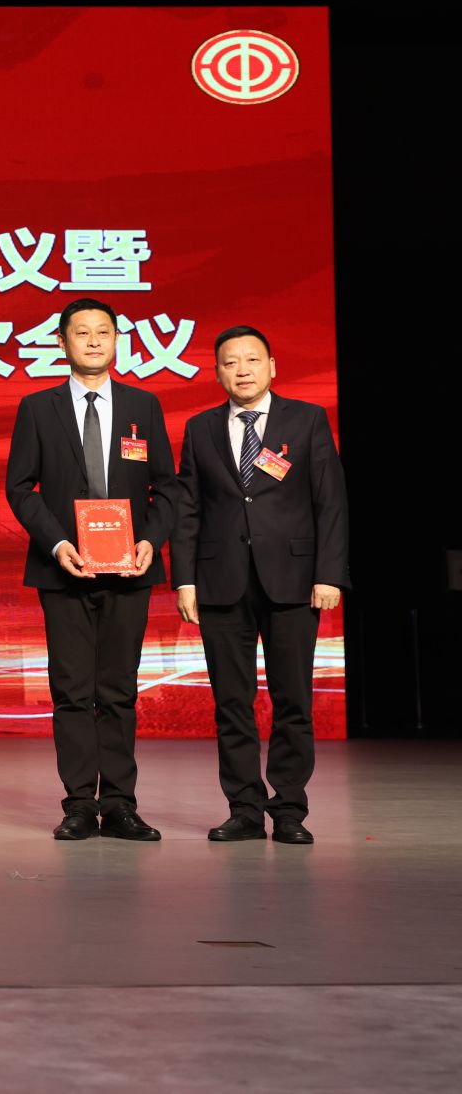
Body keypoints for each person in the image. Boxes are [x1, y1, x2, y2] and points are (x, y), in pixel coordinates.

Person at [5, 298, 178, 842]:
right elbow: (20, 487)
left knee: (120, 690)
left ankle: (121, 804)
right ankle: (80, 804)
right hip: (64, 570)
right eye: (82, 333)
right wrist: (57, 543)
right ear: (62, 342)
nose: (94, 341)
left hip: (130, 569)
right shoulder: (39, 407)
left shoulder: (143, 405)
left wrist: (150, 541)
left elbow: (167, 487)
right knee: (73, 691)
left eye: (104, 331)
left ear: (117, 340)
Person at [172, 326, 348, 844]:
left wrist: (328, 574)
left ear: (272, 366)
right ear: (217, 373)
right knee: (232, 702)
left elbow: (330, 503)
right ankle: (244, 809)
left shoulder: (307, 419)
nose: (242, 370)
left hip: (293, 581)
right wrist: (184, 579)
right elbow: (187, 509)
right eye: (230, 362)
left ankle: (289, 809)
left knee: (293, 700)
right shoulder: (200, 428)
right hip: (220, 582)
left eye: (252, 360)